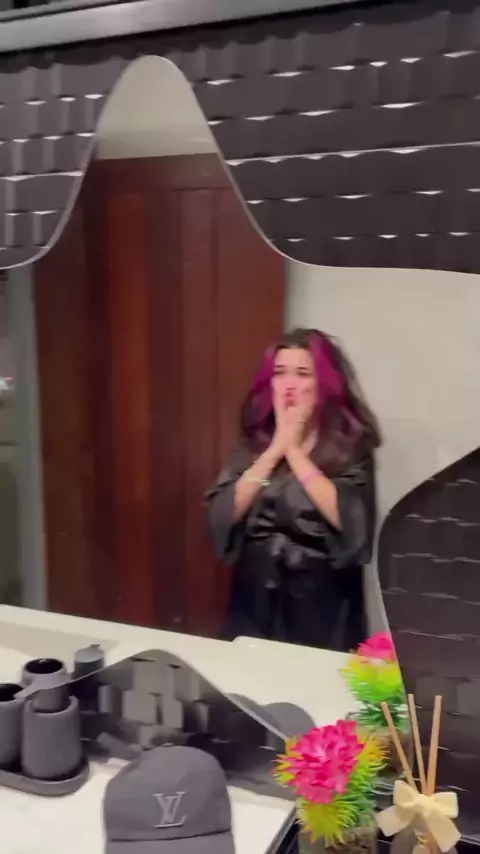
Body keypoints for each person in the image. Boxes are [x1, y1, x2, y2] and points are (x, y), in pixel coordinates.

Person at [205, 327, 382, 652]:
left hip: (324, 617)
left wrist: (296, 454)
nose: (289, 385)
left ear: (324, 384)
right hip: (254, 612)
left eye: (302, 374)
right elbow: (222, 515)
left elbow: (354, 524)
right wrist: (275, 449)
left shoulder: (349, 448)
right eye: (280, 373)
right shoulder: (253, 446)